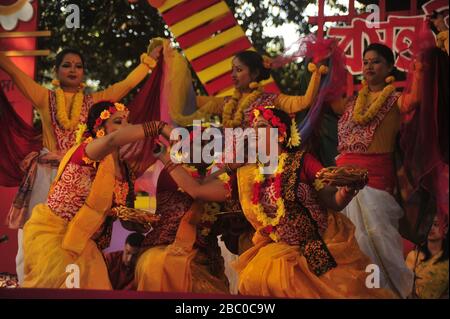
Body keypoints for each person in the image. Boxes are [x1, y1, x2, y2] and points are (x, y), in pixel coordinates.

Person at [151, 105, 394, 298]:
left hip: (318, 242)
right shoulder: (246, 173)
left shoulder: (301, 161)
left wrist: (347, 193)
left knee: (276, 275)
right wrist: (164, 157)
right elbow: (196, 190)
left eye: (262, 126)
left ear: (280, 134)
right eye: (253, 127)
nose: (254, 131)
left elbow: (332, 200)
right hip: (277, 248)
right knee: (258, 277)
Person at [0, 43, 162, 284]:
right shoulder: (45, 97)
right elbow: (16, 73)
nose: (73, 70)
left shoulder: (95, 101)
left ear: (84, 72)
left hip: (84, 173)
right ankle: (28, 284)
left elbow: (125, 85)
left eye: (78, 66)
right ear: (56, 71)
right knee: (34, 235)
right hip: (47, 174)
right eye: (66, 65)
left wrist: (147, 63)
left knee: (79, 234)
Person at [22, 101, 170, 289]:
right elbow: (111, 141)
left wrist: (137, 223)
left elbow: (118, 213)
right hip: (58, 237)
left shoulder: (124, 170)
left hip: (87, 244)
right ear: (100, 127)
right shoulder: (88, 149)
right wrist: (157, 126)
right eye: (118, 122)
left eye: (127, 121)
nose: (126, 127)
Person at [330, 43, 422, 298]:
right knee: (348, 242)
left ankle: (391, 294)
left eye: (376, 61)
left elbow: (420, 97)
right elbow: (321, 99)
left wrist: (426, 60)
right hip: (341, 183)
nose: (369, 66)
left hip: (375, 181)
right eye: (366, 61)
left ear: (391, 67)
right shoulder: (350, 103)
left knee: (376, 239)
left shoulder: (395, 99)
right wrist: (323, 68)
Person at [135, 126, 232, 294]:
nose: (205, 149)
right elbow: (140, 208)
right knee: (160, 264)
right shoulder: (166, 172)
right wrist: (137, 218)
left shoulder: (223, 180)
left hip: (203, 259)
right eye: (198, 144)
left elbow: (196, 189)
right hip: (162, 252)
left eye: (210, 144)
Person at [406, 215, 449, 299]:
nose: (431, 228)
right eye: (428, 224)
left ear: (446, 229)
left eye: (436, 225)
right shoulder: (414, 256)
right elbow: (405, 287)